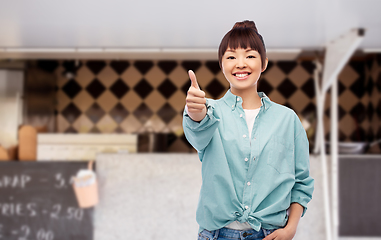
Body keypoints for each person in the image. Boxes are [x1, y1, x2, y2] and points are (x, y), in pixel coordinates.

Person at [182, 20, 314, 240]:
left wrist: (291, 228)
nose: (240, 63)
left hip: (269, 234)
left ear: (264, 63)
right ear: (221, 64)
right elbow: (197, 130)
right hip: (215, 235)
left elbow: (301, 180)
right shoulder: (210, 110)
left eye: (250, 56)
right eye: (231, 57)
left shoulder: (287, 119)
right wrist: (195, 112)